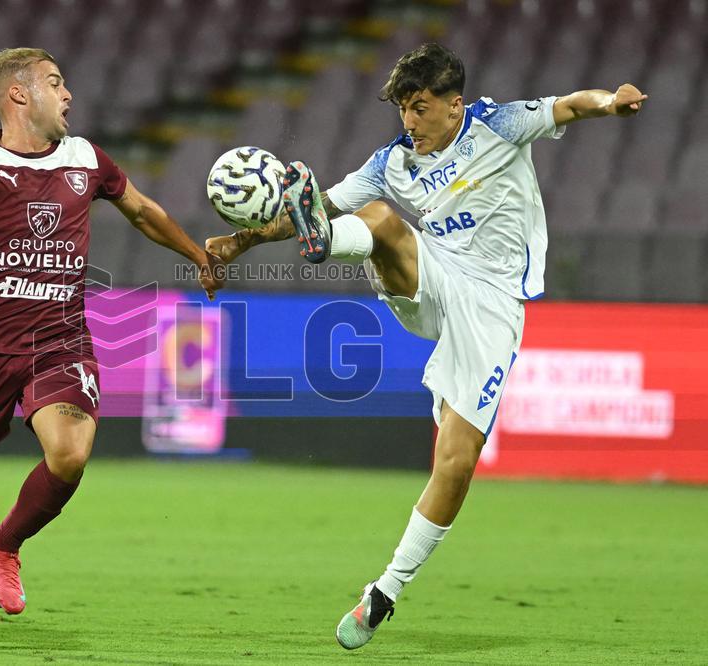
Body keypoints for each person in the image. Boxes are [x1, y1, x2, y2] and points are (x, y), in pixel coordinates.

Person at [206, 43, 645, 650]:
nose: (409, 122)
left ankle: (383, 591)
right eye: (403, 110)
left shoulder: (499, 124)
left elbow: (573, 105)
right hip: (432, 277)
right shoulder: (392, 161)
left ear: (452, 105)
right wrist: (243, 242)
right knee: (383, 218)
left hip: (491, 305)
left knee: (457, 461)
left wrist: (612, 102)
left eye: (419, 108)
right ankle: (325, 246)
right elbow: (327, 202)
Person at [0, 47, 224, 639]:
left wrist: (195, 254)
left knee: (70, 453)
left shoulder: (86, 158)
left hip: (60, 339)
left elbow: (141, 210)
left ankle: (4, 546)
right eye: (56, 83)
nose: (69, 94)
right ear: (19, 95)